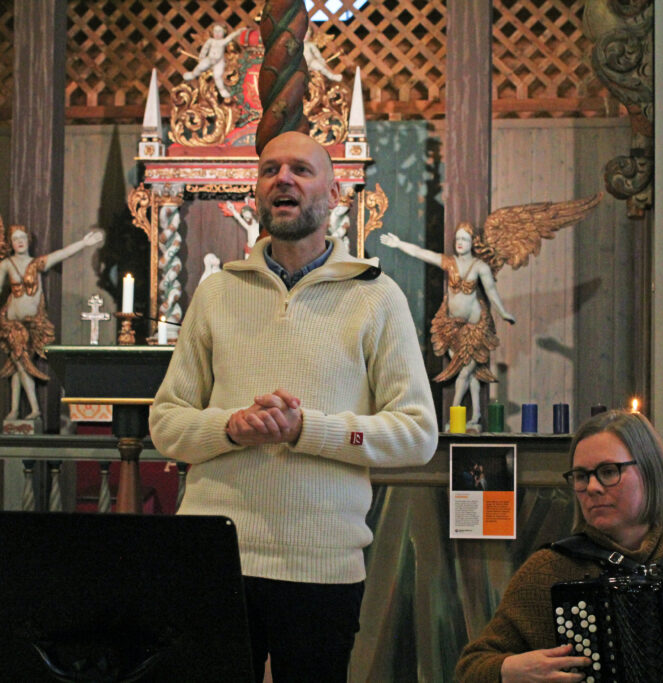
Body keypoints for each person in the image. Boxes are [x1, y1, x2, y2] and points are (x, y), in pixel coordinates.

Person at [149, 131, 438, 682]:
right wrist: (232, 427)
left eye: (301, 170)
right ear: (256, 193)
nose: (283, 178)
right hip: (214, 561)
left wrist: (308, 430)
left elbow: (417, 434)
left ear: (334, 194)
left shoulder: (376, 296)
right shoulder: (216, 292)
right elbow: (166, 423)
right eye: (270, 170)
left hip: (321, 566)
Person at [455, 410, 663, 682]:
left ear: (650, 473)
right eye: (581, 476)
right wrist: (509, 670)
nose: (592, 487)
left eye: (609, 471)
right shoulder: (548, 571)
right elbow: (470, 668)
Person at [380, 225, 515, 429]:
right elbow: (422, 253)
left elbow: (491, 292)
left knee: (465, 371)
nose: (460, 243)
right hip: (452, 328)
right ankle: (476, 415)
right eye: (458, 239)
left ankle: (454, 416)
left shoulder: (480, 267)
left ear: (473, 243)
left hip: (474, 328)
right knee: (471, 372)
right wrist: (399, 244)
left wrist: (504, 313)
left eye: (465, 239)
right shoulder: (449, 263)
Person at [0, 226, 103, 421]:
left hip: (34, 323)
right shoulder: (6, 264)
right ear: (10, 243)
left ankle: (15, 410)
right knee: (20, 362)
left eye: (22, 237)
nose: (19, 241)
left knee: (18, 364)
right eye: (15, 238)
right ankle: (34, 409)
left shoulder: (37, 263)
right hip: (12, 322)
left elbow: (62, 254)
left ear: (28, 240)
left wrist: (84, 243)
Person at [181, 24, 243, 98]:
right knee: (200, 67)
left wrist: (238, 32)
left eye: (219, 32)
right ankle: (192, 74)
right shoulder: (210, 41)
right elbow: (205, 48)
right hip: (210, 59)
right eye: (215, 32)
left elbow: (230, 37)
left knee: (217, 76)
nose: (217, 34)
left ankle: (222, 91)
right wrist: (201, 56)